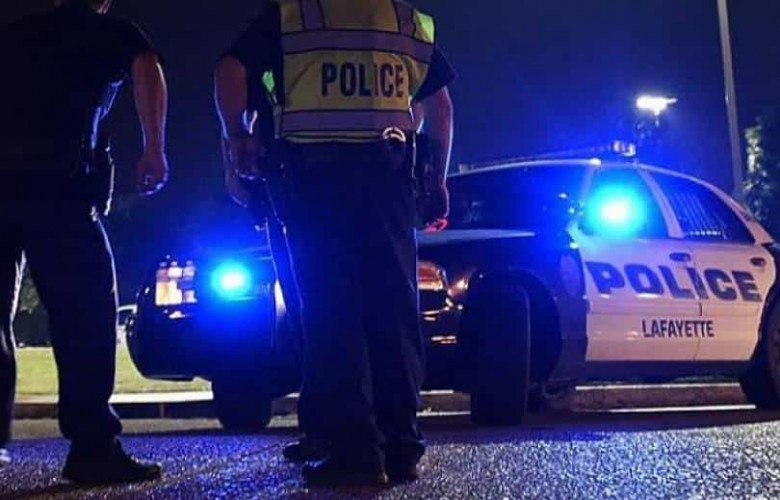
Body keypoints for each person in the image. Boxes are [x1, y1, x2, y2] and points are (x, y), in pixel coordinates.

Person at [215, 0, 454, 487]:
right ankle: (401, 446)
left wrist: (238, 138)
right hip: (389, 178)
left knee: (331, 314)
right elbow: (442, 109)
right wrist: (437, 177)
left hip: (317, 181)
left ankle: (354, 452)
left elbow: (228, 70)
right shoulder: (404, 19)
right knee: (394, 311)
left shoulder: (296, 15)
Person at [0, 0, 169, 484]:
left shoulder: (15, 34)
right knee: (88, 313)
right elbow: (146, 65)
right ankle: (92, 446)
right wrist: (154, 148)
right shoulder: (106, 33)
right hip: (58, 189)